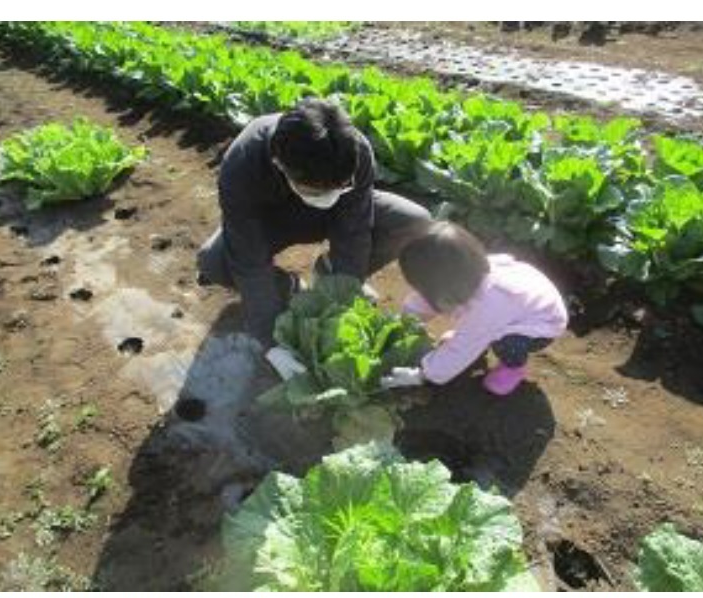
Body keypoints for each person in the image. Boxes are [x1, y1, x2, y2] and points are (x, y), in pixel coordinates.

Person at [197, 97, 433, 348]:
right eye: (315, 191)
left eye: (338, 187)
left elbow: (353, 231)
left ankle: (327, 272)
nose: (326, 195)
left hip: (339, 213)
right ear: (279, 164)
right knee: (214, 263)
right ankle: (287, 287)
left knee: (414, 221)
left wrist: (342, 292)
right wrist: (271, 339)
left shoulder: (353, 149)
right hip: (271, 222)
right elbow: (248, 258)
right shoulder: (242, 164)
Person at [380, 222, 569, 396]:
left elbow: (462, 349)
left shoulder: (491, 305)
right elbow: (423, 301)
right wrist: (404, 324)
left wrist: (423, 374)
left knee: (507, 344)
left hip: (542, 322)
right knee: (476, 328)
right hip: (522, 299)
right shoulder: (463, 273)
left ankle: (512, 368)